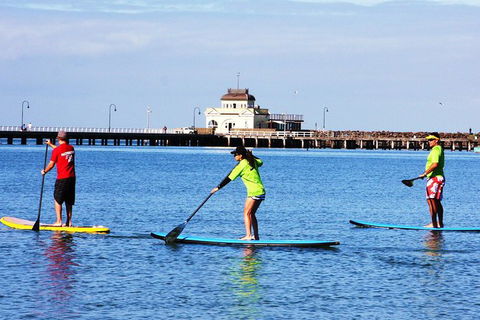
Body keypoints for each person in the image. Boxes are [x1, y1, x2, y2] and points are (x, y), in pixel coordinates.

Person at [211, 146, 266, 240]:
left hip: (254, 192)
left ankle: (248, 236)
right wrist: (251, 155)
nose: (234, 157)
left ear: (240, 156)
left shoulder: (241, 165)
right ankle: (256, 236)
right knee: (251, 213)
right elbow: (261, 161)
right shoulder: (252, 161)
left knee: (246, 213)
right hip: (261, 191)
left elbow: (229, 178)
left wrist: (218, 188)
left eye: (235, 155)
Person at [41, 130, 76, 227]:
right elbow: (61, 151)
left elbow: (51, 164)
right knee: (69, 201)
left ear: (58, 138)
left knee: (58, 199)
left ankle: (59, 221)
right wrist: (51, 144)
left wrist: (45, 171)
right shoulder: (71, 148)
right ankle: (69, 222)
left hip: (62, 178)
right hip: (72, 178)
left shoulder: (57, 151)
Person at [419, 132, 445, 228]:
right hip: (432, 178)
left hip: (435, 178)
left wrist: (425, 173)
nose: (428, 141)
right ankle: (436, 223)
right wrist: (426, 175)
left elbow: (435, 164)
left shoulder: (436, 149)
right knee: (431, 201)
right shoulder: (435, 149)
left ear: (436, 140)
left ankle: (436, 224)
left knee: (433, 200)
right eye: (428, 140)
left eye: (431, 139)